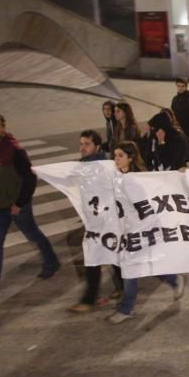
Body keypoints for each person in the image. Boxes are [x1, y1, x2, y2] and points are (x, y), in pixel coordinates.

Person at [0, 113, 61, 299]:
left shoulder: (15, 151)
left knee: (32, 234)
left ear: (3, 128)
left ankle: (52, 262)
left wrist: (19, 203)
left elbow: (30, 178)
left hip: (17, 205)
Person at [107, 141, 183, 323]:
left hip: (140, 230)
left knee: (130, 268)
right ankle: (174, 279)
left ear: (130, 158)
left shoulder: (135, 180)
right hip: (128, 230)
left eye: (120, 156)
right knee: (147, 263)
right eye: (115, 155)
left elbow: (147, 206)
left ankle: (126, 309)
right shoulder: (117, 177)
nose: (116, 159)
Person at [68, 130, 124, 313]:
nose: (83, 148)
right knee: (108, 256)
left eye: (87, 144)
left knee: (97, 258)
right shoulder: (82, 166)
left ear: (97, 147)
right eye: (81, 143)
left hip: (108, 221)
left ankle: (89, 300)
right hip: (94, 221)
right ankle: (121, 288)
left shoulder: (106, 166)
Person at [170, 78, 189, 144]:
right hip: (176, 132)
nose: (180, 88)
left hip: (187, 133)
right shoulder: (174, 99)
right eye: (178, 86)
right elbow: (172, 116)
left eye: (182, 86)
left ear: (186, 87)